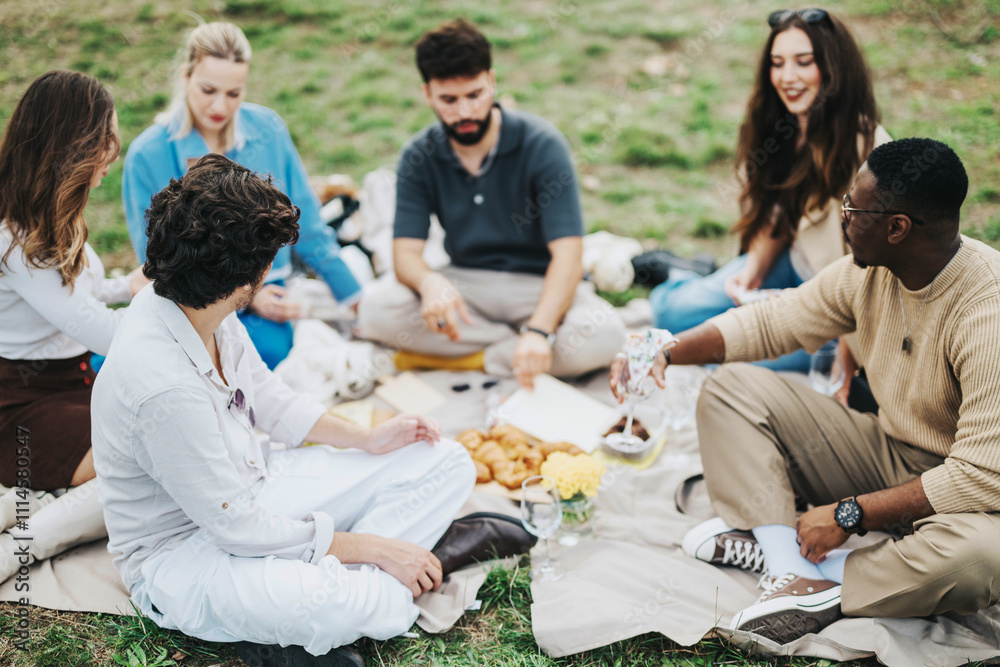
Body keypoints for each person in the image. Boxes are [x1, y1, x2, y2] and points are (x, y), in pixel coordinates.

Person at [93, 154, 484, 667]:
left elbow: (272, 401)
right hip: (187, 554)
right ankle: (389, 573)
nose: (272, 270)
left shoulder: (202, 303)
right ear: (240, 278)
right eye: (268, 261)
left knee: (447, 459)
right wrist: (370, 547)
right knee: (376, 607)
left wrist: (369, 439)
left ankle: (364, 577)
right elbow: (237, 530)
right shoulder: (162, 387)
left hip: (257, 492)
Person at [612, 138, 1000, 644]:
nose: (842, 219)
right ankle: (788, 563)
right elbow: (775, 322)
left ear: (896, 227)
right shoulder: (867, 273)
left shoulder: (986, 311)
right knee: (732, 387)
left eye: (852, 209)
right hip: (890, 454)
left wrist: (849, 514)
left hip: (976, 499)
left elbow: (980, 476)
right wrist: (665, 350)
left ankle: (827, 572)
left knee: (978, 562)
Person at [358, 18, 625, 389]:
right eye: (449, 100)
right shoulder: (419, 155)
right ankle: (513, 354)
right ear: (427, 94)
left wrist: (540, 330)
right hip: (466, 283)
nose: (464, 112)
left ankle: (481, 356)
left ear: (492, 81)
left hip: (538, 284)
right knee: (375, 311)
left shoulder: (543, 144)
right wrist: (430, 281)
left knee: (605, 335)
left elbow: (568, 256)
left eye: (475, 95)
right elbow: (405, 255)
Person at [649, 8, 891, 373]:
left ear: (833, 67)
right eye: (777, 63)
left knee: (724, 364)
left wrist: (848, 345)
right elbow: (779, 213)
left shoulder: (870, 149)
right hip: (787, 265)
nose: (787, 77)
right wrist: (756, 272)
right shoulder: (781, 126)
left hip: (834, 307)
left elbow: (880, 271)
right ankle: (686, 271)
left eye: (803, 62)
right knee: (670, 312)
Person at [122, 21, 361, 370]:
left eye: (234, 94)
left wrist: (353, 296)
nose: (220, 106)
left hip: (268, 296)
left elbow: (306, 222)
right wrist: (248, 298)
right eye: (208, 89)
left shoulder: (268, 129)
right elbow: (157, 261)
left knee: (264, 354)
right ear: (185, 76)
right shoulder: (147, 154)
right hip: (189, 306)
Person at [0, 71, 147, 582]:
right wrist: (178, 316)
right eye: (104, 138)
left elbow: (77, 296)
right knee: (144, 467)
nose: (112, 151)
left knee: (161, 441)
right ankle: (27, 538)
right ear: (70, 146)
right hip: (22, 400)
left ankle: (48, 498)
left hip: (73, 379)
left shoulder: (50, 215)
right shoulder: (13, 238)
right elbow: (96, 327)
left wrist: (131, 285)